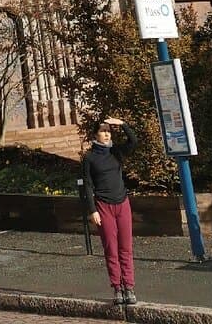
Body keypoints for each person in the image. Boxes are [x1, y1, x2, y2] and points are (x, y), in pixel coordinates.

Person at [83, 116, 137, 305]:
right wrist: (92, 210)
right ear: (95, 135)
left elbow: (133, 142)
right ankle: (117, 288)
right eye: (102, 131)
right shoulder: (89, 158)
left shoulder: (116, 152)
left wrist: (122, 124)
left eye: (108, 131)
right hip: (103, 206)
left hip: (122, 203)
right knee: (111, 249)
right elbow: (87, 185)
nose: (106, 134)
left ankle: (129, 287)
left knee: (126, 248)